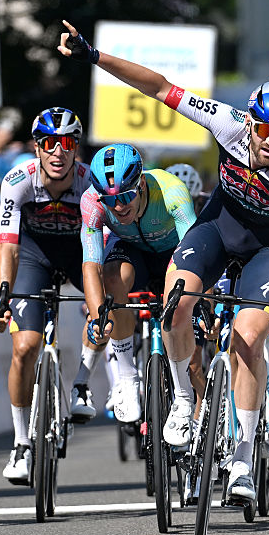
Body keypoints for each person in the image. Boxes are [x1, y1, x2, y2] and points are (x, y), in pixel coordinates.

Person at [59, 20, 269, 504]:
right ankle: (183, 399)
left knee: (247, 339)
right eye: (263, 128)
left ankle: (241, 458)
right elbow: (159, 88)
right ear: (250, 121)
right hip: (217, 228)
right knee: (174, 305)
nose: (268, 140)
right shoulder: (228, 123)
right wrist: (96, 58)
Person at [0, 107, 96, 486]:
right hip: (33, 257)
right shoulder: (17, 181)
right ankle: (20, 441)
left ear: (75, 148)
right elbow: (9, 249)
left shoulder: (90, 183)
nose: (58, 152)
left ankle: (82, 383)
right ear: (38, 148)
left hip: (81, 253)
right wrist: (2, 297)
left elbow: (103, 248)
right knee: (24, 347)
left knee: (106, 309)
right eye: (50, 143)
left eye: (66, 143)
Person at [81, 143, 197, 423]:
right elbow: (91, 265)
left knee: (192, 352)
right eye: (110, 201)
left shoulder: (172, 191)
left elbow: (196, 256)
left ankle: (189, 400)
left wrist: (202, 304)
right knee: (111, 277)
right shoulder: (90, 202)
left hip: (174, 254)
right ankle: (127, 378)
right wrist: (99, 315)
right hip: (132, 251)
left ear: (141, 182)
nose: (119, 207)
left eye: (126, 196)